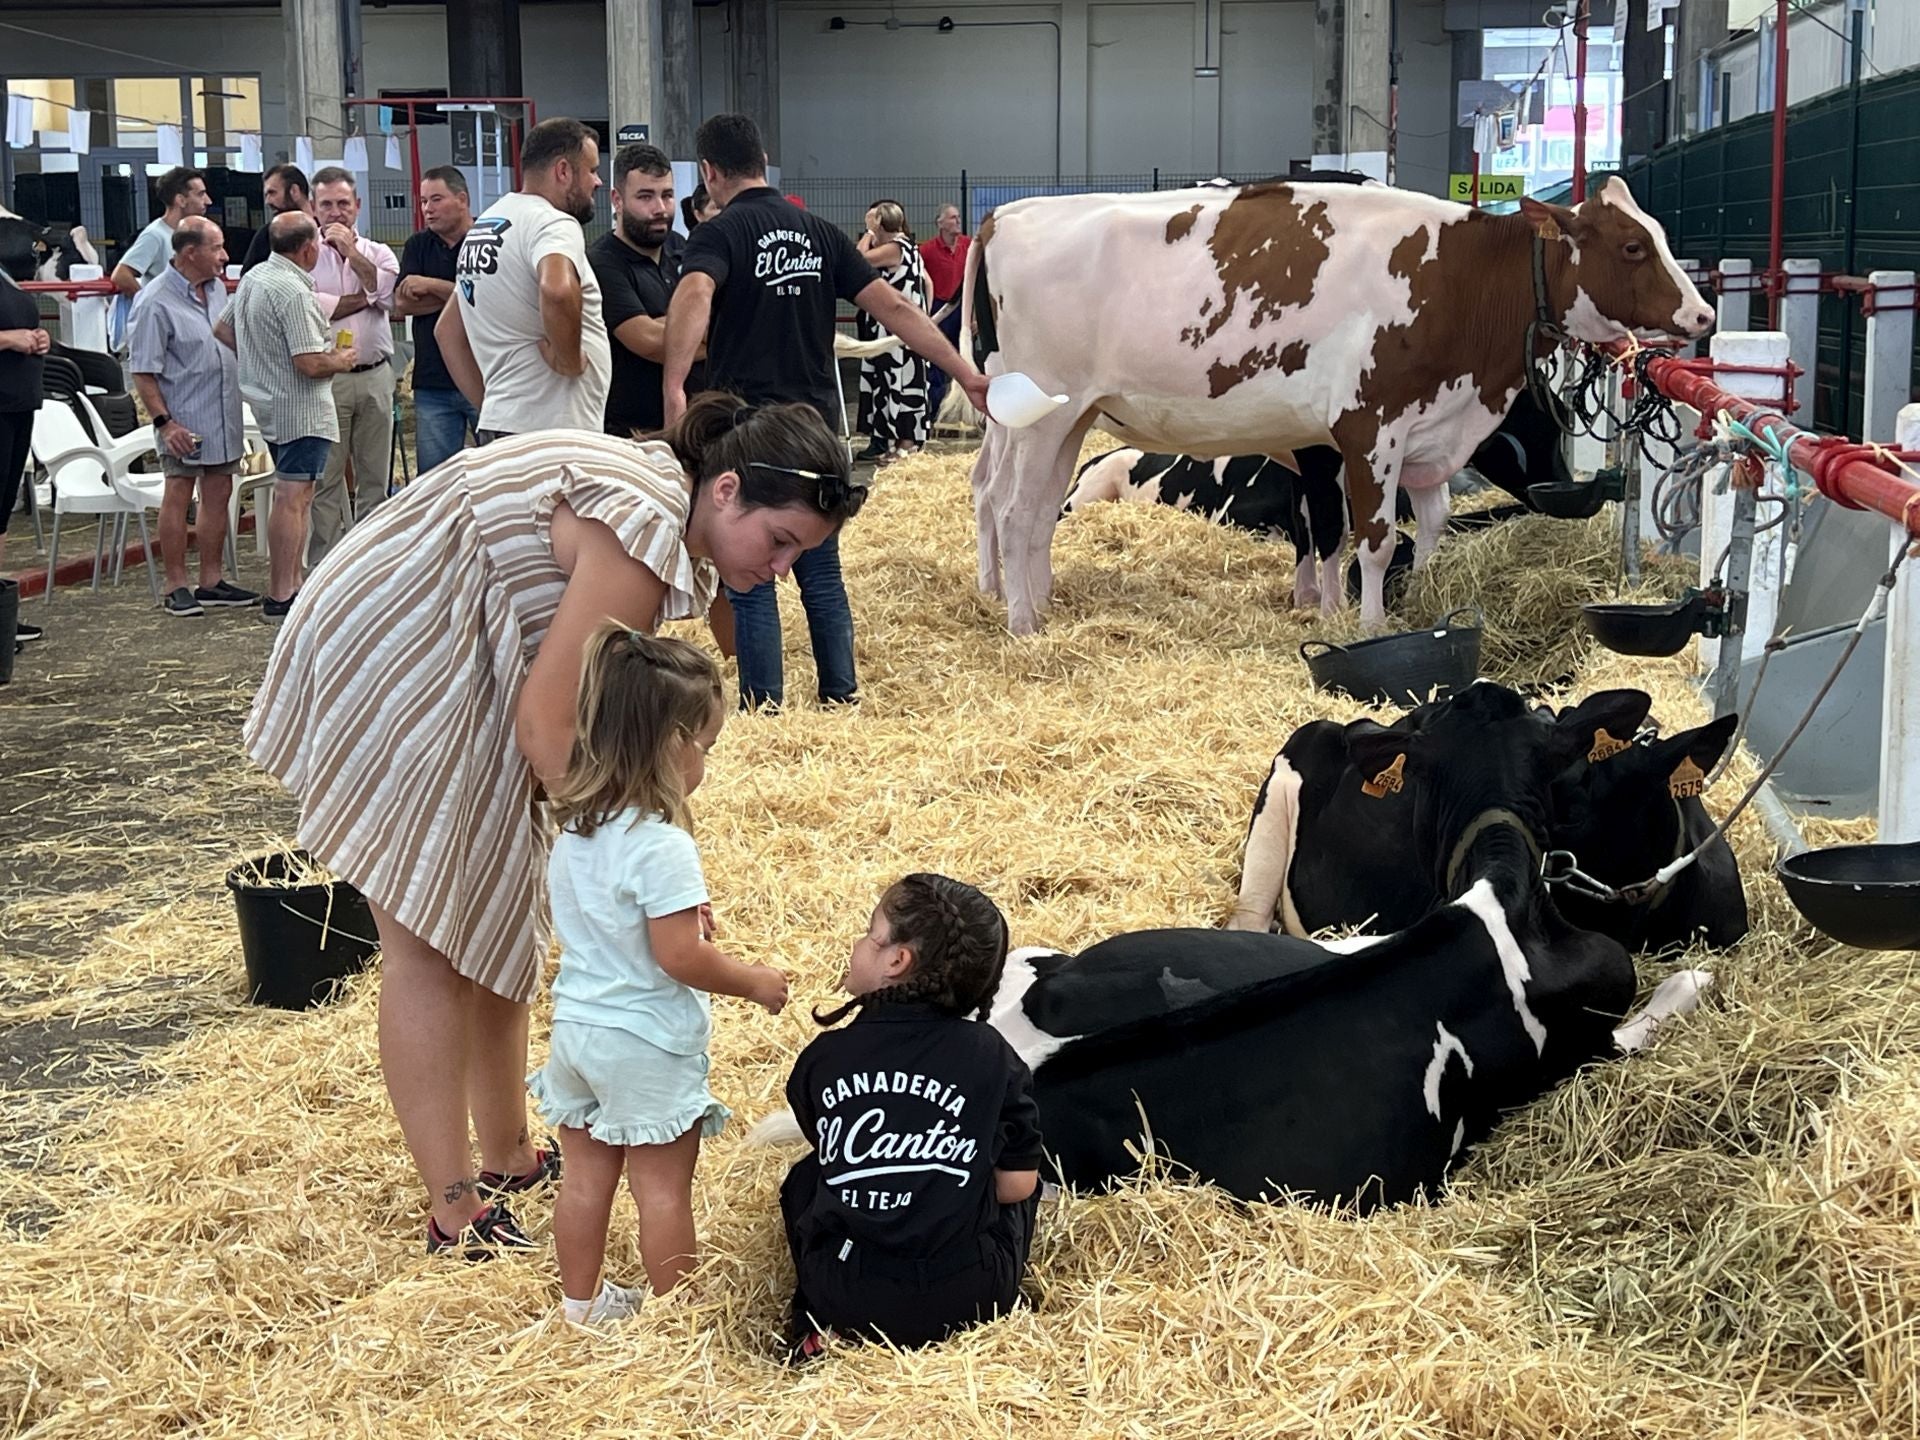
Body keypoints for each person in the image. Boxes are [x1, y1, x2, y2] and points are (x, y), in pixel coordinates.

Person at [241, 396, 865, 1258]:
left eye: (802, 553)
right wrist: (624, 859)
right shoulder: (645, 530)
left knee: (504, 899)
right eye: (782, 540)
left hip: (469, 640)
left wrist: (600, 849)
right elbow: (548, 727)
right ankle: (454, 1208)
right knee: (426, 936)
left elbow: (585, 714)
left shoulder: (679, 510)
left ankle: (506, 1154)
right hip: (406, 635)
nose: (786, 569)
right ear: (725, 490)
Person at [663, 112, 988, 710]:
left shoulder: (719, 233)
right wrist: (966, 373)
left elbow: (696, 292)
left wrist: (675, 386)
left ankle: (765, 708)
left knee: (752, 582)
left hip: (750, 434)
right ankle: (840, 696)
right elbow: (896, 309)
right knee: (822, 576)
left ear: (708, 172)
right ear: (763, 162)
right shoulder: (820, 233)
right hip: (816, 433)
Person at [531, 626, 790, 1323]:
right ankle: (680, 1319)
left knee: (584, 1183)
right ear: (672, 745)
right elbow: (680, 957)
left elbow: (605, 921)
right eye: (705, 745)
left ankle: (580, 1306)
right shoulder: (663, 844)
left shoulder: (576, 832)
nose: (705, 760)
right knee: (662, 1191)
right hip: (643, 1041)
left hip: (577, 1033)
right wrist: (753, 980)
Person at [780, 874, 1043, 1356]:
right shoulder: (992, 1055)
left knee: (805, 1179)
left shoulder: (825, 1057)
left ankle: (814, 1326)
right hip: (971, 1296)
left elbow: (828, 1150)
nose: (859, 944)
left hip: (847, 1291)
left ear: (897, 961)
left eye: (870, 933)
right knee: (1023, 1176)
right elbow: (1017, 1187)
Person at [220, 211, 359, 621]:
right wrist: (341, 360)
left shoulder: (254, 277)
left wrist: (261, 361)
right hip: (301, 407)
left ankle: (292, 583)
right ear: (308, 248)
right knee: (293, 497)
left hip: (269, 401)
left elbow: (223, 330)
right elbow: (309, 363)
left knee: (297, 493)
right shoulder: (294, 291)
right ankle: (282, 591)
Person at [436, 116, 611, 440]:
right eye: (592, 170)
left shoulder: (487, 225)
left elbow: (447, 331)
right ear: (563, 171)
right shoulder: (553, 223)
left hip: (504, 423)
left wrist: (492, 406)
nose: (597, 182)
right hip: (553, 430)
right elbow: (557, 290)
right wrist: (569, 360)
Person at [127, 216, 258, 617]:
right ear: (189, 253)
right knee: (178, 491)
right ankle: (175, 584)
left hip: (222, 411)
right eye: (216, 248)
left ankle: (211, 581)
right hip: (182, 417)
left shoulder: (217, 289)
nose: (225, 256)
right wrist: (165, 424)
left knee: (219, 492)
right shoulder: (154, 301)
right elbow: (143, 371)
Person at [305, 167, 399, 568]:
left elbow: (389, 296)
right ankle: (324, 567)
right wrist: (365, 297)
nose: (335, 212)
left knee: (375, 478)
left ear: (357, 206)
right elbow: (312, 307)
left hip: (376, 374)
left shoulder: (378, 251)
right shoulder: (304, 257)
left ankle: (371, 565)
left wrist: (353, 255)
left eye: (343, 203)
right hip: (328, 380)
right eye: (326, 204)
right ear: (313, 208)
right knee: (326, 479)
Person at [589, 143, 694, 439]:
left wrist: (669, 326)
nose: (660, 208)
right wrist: (711, 327)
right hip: (631, 433)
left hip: (691, 425)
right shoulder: (602, 262)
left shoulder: (681, 247)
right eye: (645, 197)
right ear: (617, 200)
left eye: (667, 195)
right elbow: (649, 342)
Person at [394, 167, 478, 472]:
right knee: (434, 478)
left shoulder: (484, 242)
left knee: (500, 469)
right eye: (423, 201)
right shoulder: (418, 245)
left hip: (484, 376)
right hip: (433, 383)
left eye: (436, 199)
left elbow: (488, 299)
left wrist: (429, 285)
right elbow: (402, 304)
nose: (427, 209)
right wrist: (461, 294)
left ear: (462, 199)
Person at [0, 244, 49, 657]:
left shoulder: (5, 276)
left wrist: (38, 337)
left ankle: (2, 612)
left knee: (1, 516)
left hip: (18, 403)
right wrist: (7, 339)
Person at [855, 201, 931, 463]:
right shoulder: (910, 247)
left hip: (896, 330)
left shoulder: (895, 248)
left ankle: (905, 444)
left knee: (902, 382)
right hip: (901, 327)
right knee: (895, 383)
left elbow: (858, 259)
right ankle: (899, 443)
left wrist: (868, 233)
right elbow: (928, 283)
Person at [111, 166, 210, 297]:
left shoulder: (193, 234)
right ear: (181, 200)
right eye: (200, 194)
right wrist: (148, 304)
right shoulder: (155, 235)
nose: (208, 201)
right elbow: (121, 275)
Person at [918, 203, 971, 421]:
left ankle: (969, 414)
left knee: (966, 361)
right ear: (940, 223)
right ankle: (934, 413)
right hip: (939, 307)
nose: (957, 221)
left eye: (958, 217)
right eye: (952, 218)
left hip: (962, 307)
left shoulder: (968, 246)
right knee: (937, 362)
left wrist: (974, 317)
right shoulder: (927, 251)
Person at [241, 164, 312, 274]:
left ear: (294, 191)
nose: (267, 201)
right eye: (266, 195)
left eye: (272, 193)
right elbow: (249, 278)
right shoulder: (267, 234)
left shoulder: (324, 230)